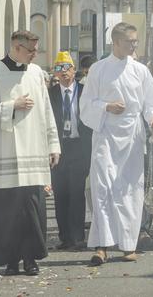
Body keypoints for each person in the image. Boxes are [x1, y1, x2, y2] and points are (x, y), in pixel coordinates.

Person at [0, 30, 61, 276]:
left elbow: (46, 111)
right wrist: (13, 106)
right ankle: (11, 261)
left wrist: (53, 144)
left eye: (36, 50)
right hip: (5, 154)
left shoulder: (36, 73)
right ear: (16, 47)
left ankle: (31, 259)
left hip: (33, 152)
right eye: (31, 50)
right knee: (7, 212)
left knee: (31, 209)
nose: (35, 54)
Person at [79, 22, 153, 266]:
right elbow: (85, 105)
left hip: (132, 137)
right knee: (103, 188)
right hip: (105, 133)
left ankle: (128, 244)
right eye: (130, 41)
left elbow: (151, 101)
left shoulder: (140, 71)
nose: (134, 45)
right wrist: (106, 107)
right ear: (115, 42)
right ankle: (102, 246)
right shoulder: (98, 69)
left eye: (136, 41)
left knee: (129, 189)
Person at [48, 51, 92, 250]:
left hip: (79, 146)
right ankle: (64, 236)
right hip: (59, 148)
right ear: (55, 73)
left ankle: (78, 236)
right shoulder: (50, 94)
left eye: (67, 68)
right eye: (59, 68)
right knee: (61, 193)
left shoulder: (84, 91)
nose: (63, 72)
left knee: (76, 191)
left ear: (74, 70)